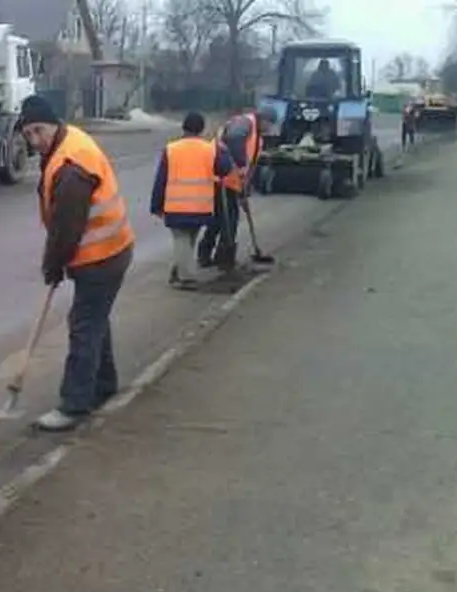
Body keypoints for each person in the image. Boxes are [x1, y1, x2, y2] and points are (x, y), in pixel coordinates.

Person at [16, 95, 135, 432]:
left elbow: (67, 229)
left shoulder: (71, 167)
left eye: (38, 131)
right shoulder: (66, 143)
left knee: (83, 325)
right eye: (28, 135)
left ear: (53, 124)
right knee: (95, 319)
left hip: (103, 256)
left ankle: (74, 403)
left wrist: (53, 265)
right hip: (110, 250)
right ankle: (104, 384)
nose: (34, 140)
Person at [149, 112, 234, 291]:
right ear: (201, 129)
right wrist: (223, 150)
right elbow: (225, 170)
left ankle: (185, 277)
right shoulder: (210, 149)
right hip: (201, 205)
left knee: (181, 239)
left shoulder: (171, 149)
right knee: (188, 240)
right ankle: (178, 272)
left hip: (176, 205)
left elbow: (161, 179)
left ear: (183, 127)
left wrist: (156, 205)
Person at [197, 106, 277, 272]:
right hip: (220, 176)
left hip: (231, 181)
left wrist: (244, 190)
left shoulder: (256, 133)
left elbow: (250, 165)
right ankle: (224, 259)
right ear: (264, 120)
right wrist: (239, 164)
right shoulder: (245, 123)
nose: (270, 129)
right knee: (228, 219)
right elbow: (233, 139)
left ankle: (208, 256)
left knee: (221, 218)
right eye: (270, 124)